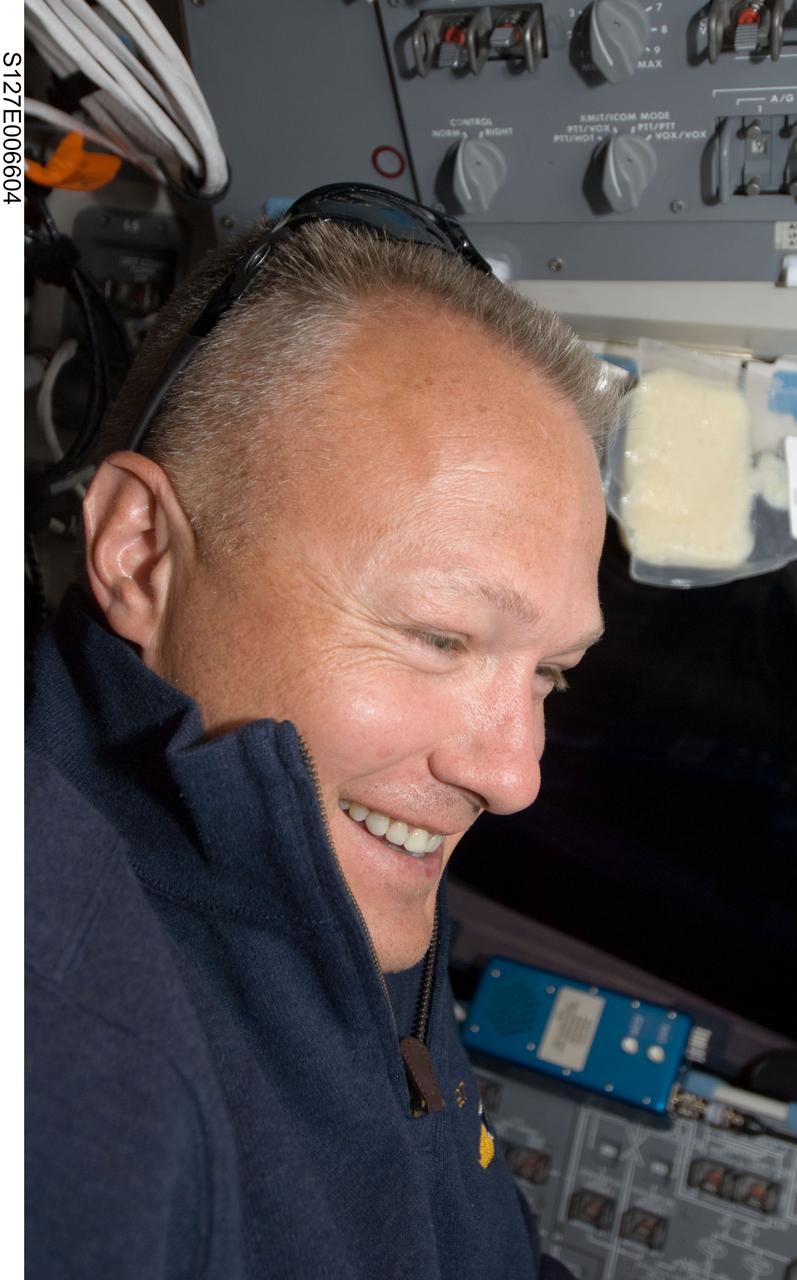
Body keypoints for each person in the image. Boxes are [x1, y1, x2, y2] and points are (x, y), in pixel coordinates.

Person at [25, 185, 618, 1279]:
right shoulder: (70, 1071)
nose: (513, 773)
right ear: (140, 551)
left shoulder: (309, 828)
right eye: (440, 636)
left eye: (550, 673)